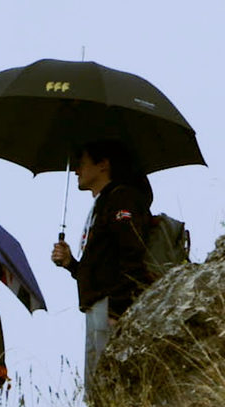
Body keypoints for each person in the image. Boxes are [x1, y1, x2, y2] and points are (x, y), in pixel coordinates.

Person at [50, 140, 154, 393]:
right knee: (99, 387)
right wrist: (72, 265)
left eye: (82, 163)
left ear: (103, 165)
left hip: (110, 308)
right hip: (101, 306)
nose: (76, 170)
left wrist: (118, 309)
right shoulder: (105, 203)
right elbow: (104, 267)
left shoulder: (121, 199)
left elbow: (132, 253)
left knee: (109, 386)